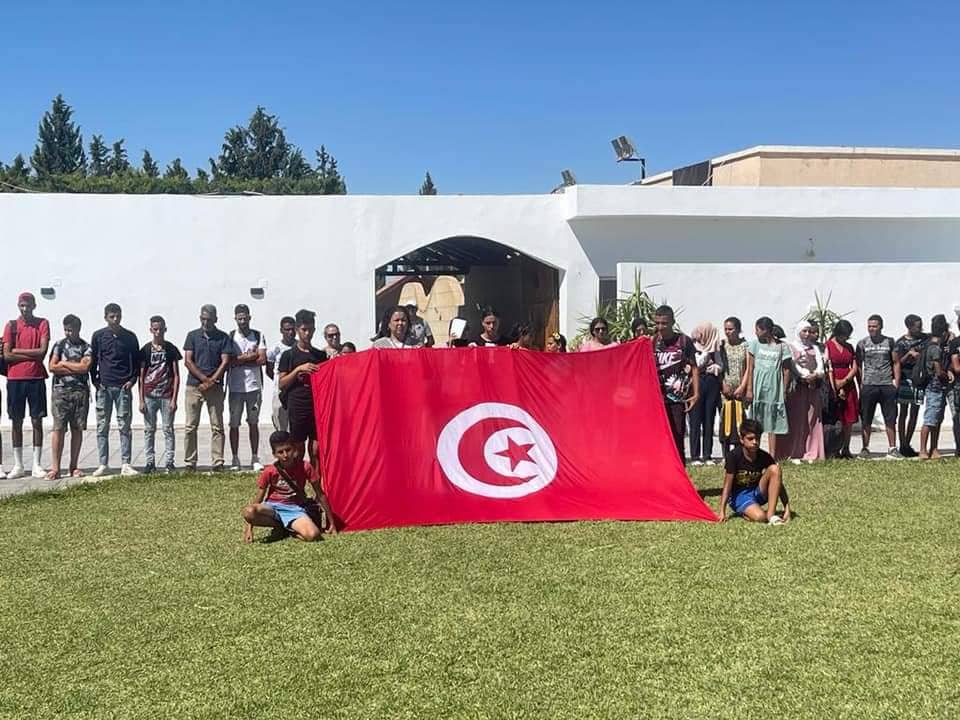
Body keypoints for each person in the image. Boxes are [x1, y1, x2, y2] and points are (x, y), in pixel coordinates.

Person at [241, 430, 335, 543]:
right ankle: (282, 526)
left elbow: (320, 494)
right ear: (274, 454)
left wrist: (332, 523)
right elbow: (258, 499)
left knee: (313, 535)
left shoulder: (305, 467)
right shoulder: (270, 471)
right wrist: (249, 529)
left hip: (294, 509)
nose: (285, 455)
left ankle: (288, 530)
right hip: (273, 508)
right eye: (280, 452)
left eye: (288, 450)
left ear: (294, 449)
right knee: (249, 511)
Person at [2, 292, 50, 480]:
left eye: (28, 305)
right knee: (16, 421)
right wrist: (31, 354)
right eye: (22, 305)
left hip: (36, 377)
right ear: (18, 306)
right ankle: (18, 464)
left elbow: (42, 352)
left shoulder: (42, 323)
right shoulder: (11, 325)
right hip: (15, 379)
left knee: (37, 420)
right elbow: (7, 355)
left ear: (34, 306)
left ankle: (37, 464)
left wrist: (17, 351)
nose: (25, 309)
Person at [90, 303, 140, 477]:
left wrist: (132, 380)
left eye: (118, 316)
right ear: (105, 317)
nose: (115, 319)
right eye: (112, 316)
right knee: (102, 426)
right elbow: (93, 360)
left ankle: (126, 463)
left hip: (123, 387)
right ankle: (103, 463)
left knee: (124, 425)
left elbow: (137, 361)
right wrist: (95, 380)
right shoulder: (98, 336)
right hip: (104, 387)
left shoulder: (130, 337)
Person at [183, 304, 234, 471]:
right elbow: (188, 361)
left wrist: (212, 381)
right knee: (190, 426)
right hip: (194, 386)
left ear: (215, 319)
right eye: (203, 319)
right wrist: (204, 379)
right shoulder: (192, 336)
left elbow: (225, 361)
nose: (205, 322)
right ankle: (190, 462)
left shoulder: (223, 337)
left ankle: (218, 462)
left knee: (217, 426)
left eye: (209, 319)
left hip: (215, 387)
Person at [278, 309, 327, 470]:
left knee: (316, 450)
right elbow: (281, 383)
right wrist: (299, 369)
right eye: (304, 330)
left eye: (310, 330)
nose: (307, 334)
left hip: (316, 406)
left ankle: (316, 484)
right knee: (298, 450)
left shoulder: (320, 355)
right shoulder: (288, 355)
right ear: (297, 330)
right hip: (297, 405)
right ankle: (297, 482)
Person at [718, 418, 791, 525]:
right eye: (750, 439)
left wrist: (787, 507)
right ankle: (748, 512)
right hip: (739, 496)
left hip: (757, 492)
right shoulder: (733, 456)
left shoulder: (764, 456)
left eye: (757, 438)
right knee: (760, 517)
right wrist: (722, 511)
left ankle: (771, 515)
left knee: (775, 469)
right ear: (741, 439)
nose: (755, 442)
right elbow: (727, 485)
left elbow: (778, 481)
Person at [47, 314, 92, 479]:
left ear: (78, 329)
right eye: (66, 330)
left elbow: (84, 368)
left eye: (71, 330)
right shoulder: (59, 345)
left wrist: (64, 363)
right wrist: (74, 366)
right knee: (58, 428)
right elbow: (52, 367)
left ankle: (74, 466)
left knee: (77, 429)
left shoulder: (86, 347)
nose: (68, 333)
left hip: (80, 392)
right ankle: (55, 468)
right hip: (61, 392)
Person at [653, 305, 699, 463]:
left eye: (664, 323)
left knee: (678, 437)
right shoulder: (653, 342)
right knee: (659, 440)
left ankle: (679, 472)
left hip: (677, 399)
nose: (660, 327)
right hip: (657, 400)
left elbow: (694, 367)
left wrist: (696, 394)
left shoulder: (684, 341)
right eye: (657, 323)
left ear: (672, 322)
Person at [778, 320, 826, 463]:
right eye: (804, 331)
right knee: (798, 419)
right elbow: (793, 365)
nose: (807, 334)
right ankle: (796, 452)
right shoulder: (792, 347)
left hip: (813, 387)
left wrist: (816, 374)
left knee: (813, 419)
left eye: (809, 331)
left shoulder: (815, 348)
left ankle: (813, 451)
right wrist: (805, 375)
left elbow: (820, 365)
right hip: (798, 388)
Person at [138, 316, 181, 474]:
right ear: (151, 330)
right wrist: (141, 400)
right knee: (149, 430)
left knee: (168, 429)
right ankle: (150, 462)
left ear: (165, 329)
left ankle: (169, 462)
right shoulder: (145, 350)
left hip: (166, 395)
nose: (158, 332)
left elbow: (176, 375)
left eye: (161, 329)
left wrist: (174, 399)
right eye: (155, 329)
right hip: (149, 395)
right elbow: (141, 376)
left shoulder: (171, 349)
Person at [227, 304, 267, 472]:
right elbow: (229, 360)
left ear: (250, 317)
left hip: (254, 387)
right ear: (235, 319)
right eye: (239, 318)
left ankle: (255, 457)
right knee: (234, 424)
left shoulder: (258, 335)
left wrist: (241, 359)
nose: (242, 321)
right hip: (235, 387)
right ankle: (235, 458)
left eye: (245, 318)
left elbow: (262, 359)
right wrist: (250, 356)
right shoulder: (230, 336)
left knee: (253, 423)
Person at [856, 314, 901, 459]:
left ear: (881, 327)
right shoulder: (862, 343)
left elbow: (896, 362)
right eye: (869, 326)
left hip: (886, 384)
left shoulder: (890, 342)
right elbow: (858, 365)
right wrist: (861, 383)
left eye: (874, 326)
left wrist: (896, 383)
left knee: (890, 418)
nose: (871, 329)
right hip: (869, 385)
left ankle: (892, 449)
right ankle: (865, 448)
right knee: (866, 418)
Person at [746, 317, 791, 458]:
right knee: (756, 422)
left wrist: (784, 390)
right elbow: (750, 368)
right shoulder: (754, 345)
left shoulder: (782, 347)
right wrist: (749, 389)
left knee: (772, 422)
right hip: (758, 387)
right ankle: (755, 453)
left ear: (766, 330)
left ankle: (772, 455)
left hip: (774, 388)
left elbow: (786, 370)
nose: (756, 332)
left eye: (758, 329)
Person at [718, 317, 753, 459]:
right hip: (725, 390)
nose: (728, 332)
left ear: (738, 329)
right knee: (725, 421)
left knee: (740, 422)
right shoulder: (722, 345)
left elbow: (749, 368)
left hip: (740, 390)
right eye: (726, 329)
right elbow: (719, 366)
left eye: (731, 329)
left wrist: (743, 387)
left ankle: (739, 453)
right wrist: (723, 385)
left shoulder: (745, 346)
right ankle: (726, 455)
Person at [688, 322, 722, 465]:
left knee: (709, 419)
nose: (700, 336)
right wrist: (707, 353)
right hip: (697, 383)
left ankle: (707, 455)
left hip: (711, 384)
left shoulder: (716, 348)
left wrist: (714, 368)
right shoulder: (692, 347)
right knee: (695, 420)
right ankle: (695, 456)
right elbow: (697, 364)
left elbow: (720, 365)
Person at [825, 319, 859, 459]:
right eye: (843, 335)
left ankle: (846, 447)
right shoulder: (827, 346)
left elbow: (854, 367)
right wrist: (836, 386)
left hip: (848, 383)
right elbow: (827, 367)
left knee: (848, 419)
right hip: (832, 382)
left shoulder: (849, 347)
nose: (845, 338)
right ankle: (834, 448)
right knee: (836, 417)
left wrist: (845, 381)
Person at [894, 314, 927, 457]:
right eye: (917, 327)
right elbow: (896, 363)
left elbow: (938, 336)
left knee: (915, 411)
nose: (920, 329)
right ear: (909, 327)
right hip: (905, 380)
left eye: (921, 326)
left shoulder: (925, 339)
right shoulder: (900, 343)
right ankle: (902, 443)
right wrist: (908, 355)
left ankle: (907, 443)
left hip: (918, 379)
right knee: (903, 412)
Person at [918, 314, 950, 459]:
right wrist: (947, 375)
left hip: (937, 387)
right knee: (930, 419)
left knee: (937, 419)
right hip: (934, 387)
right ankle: (923, 449)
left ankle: (934, 448)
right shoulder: (935, 348)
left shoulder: (930, 345)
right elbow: (938, 370)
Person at [266, 315, 296, 432]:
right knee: (280, 422)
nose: (290, 332)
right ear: (281, 330)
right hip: (279, 391)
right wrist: (279, 381)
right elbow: (269, 370)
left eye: (292, 329)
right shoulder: (275, 349)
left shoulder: (299, 346)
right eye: (287, 329)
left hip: (295, 389)